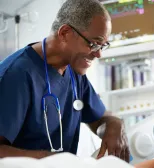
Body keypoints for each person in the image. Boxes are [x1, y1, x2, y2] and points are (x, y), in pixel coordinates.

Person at [0, 0, 130, 162]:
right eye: (94, 44)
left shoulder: (74, 71)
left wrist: (114, 124)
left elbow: (100, 118)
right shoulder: (16, 76)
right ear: (65, 33)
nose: (98, 55)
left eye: (103, 46)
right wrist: (47, 160)